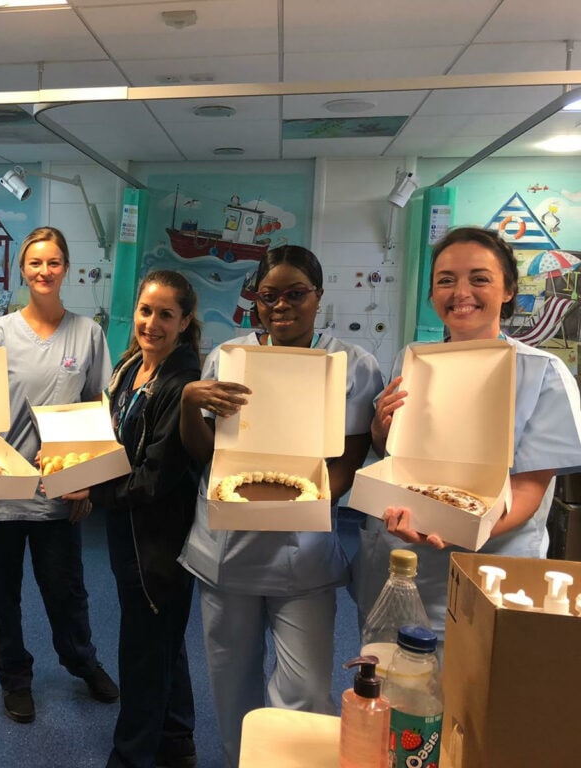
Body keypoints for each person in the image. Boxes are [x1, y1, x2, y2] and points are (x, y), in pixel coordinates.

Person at [177, 245, 384, 767]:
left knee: (308, 691)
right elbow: (205, 454)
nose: (282, 306)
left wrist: (295, 503)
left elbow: (350, 463)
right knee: (231, 685)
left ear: (318, 297)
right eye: (269, 296)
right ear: (256, 301)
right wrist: (190, 403)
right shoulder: (227, 360)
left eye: (296, 293)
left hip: (304, 551)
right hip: (226, 548)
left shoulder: (352, 367)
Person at [355, 225, 581, 646]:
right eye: (446, 280)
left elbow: (528, 494)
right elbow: (396, 455)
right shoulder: (414, 359)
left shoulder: (542, 375)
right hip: (399, 568)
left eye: (479, 278)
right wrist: (380, 429)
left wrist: (452, 526)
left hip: (488, 572)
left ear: (509, 290)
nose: (461, 292)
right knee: (390, 690)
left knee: (472, 703)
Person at [0, 226, 119, 725]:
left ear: (66, 268)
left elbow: (101, 411)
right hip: (3, 488)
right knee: (1, 593)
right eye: (35, 263)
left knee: (66, 589)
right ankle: (15, 678)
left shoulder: (88, 333)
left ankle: (82, 662)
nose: (44, 271)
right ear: (22, 269)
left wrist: (89, 481)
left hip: (60, 488)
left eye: (53, 262)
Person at [89, 269, 203, 768]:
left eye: (165, 315)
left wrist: (91, 487)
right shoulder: (132, 364)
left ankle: (130, 756)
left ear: (185, 321)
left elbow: (154, 479)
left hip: (159, 541)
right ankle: (176, 738)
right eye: (145, 310)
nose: (151, 323)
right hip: (126, 531)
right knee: (162, 640)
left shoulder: (184, 384)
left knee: (142, 650)